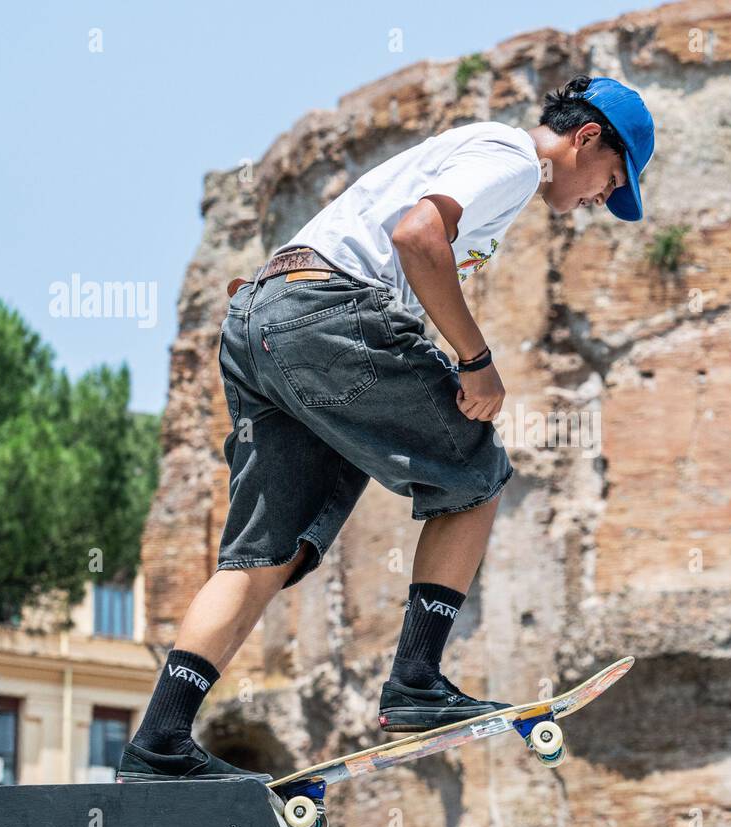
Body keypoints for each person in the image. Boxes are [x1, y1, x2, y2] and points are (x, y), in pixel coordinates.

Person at [118, 75, 655, 781]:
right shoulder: (518, 160)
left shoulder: (464, 155)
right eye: (608, 181)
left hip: (261, 321)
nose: (595, 201)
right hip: (322, 317)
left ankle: (157, 740)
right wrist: (476, 361)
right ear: (586, 140)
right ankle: (417, 684)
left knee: (262, 555)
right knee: (476, 476)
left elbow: (395, 239)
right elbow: (418, 237)